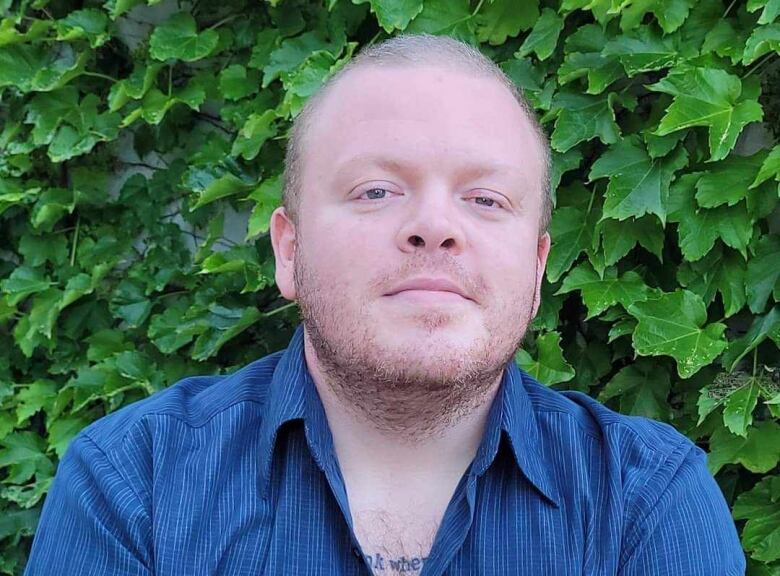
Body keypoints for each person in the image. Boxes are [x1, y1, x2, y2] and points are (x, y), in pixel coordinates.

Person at [23, 33, 745, 575]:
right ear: (288, 251)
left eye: (486, 199)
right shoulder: (133, 484)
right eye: (376, 190)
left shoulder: (646, 503)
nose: (436, 225)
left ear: (535, 270)